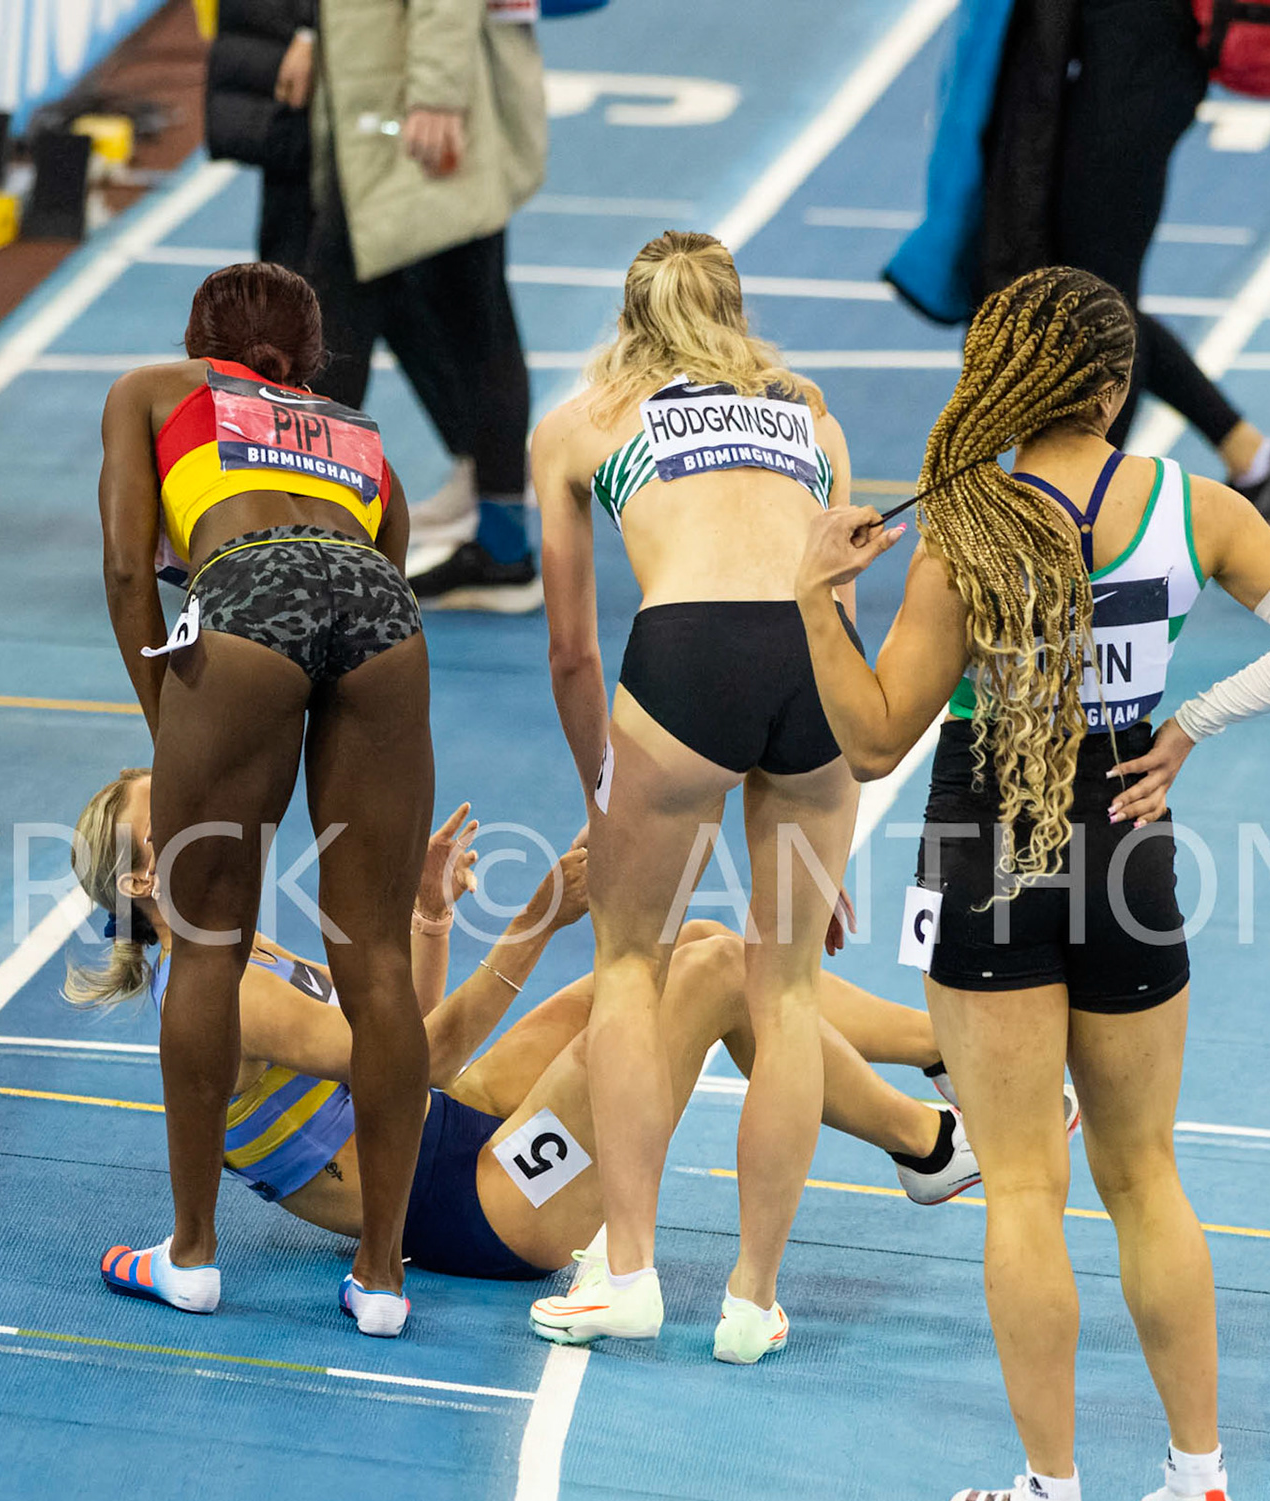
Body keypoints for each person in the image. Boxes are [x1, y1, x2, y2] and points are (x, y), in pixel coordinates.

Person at [793, 266, 1270, 1501]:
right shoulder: (1195, 506)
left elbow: (876, 738)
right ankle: (1200, 1482)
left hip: (987, 847)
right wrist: (1192, 724)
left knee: (1021, 1184)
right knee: (1146, 1174)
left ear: (1003, 383)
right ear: (1115, 390)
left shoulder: (963, 531)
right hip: (1127, 841)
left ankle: (1050, 1495)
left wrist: (817, 597)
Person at [67, 772, 990, 1292]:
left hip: (460, 1125)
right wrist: (535, 922)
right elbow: (420, 1061)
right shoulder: (224, 996)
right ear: (144, 881)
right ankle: (931, 1136)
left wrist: (430, 919)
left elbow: (407, 1040)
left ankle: (942, 1060)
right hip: (485, 1203)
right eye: (170, 812)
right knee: (709, 977)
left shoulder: (236, 950)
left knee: (699, 945)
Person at [526, 231, 864, 1365]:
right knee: (791, 990)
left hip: (690, 652)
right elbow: (840, 618)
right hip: (814, 671)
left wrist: (603, 784)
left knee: (631, 965)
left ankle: (627, 1270)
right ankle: (753, 1300)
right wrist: (832, 829)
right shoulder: (815, 425)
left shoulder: (582, 424)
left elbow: (572, 650)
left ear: (632, 316)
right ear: (735, 309)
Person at [95, 261, 432, 1338]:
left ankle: (191, 1254)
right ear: (312, 356)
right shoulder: (359, 433)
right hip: (380, 612)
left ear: (200, 342)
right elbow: (385, 568)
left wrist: (172, 720)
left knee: (206, 943)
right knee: (376, 959)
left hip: (247, 590)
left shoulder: (152, 391)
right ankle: (382, 1277)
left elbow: (126, 569)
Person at [886, 0, 1270, 534]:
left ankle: (1083, 513)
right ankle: (1254, 460)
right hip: (1100, 61)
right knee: (1083, 292)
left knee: (1095, 302)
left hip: (1132, 65)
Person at [300, 0, 547, 609]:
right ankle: (502, 551)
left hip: (410, 112)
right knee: (474, 315)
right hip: (399, 101)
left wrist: (437, 93)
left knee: (335, 321)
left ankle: (310, 549)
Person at [203, 0, 476, 533]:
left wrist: (312, 29)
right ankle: (482, 464)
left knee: (316, 297)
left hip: (321, 65)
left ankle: (305, 500)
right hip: (283, 52)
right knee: (348, 288)